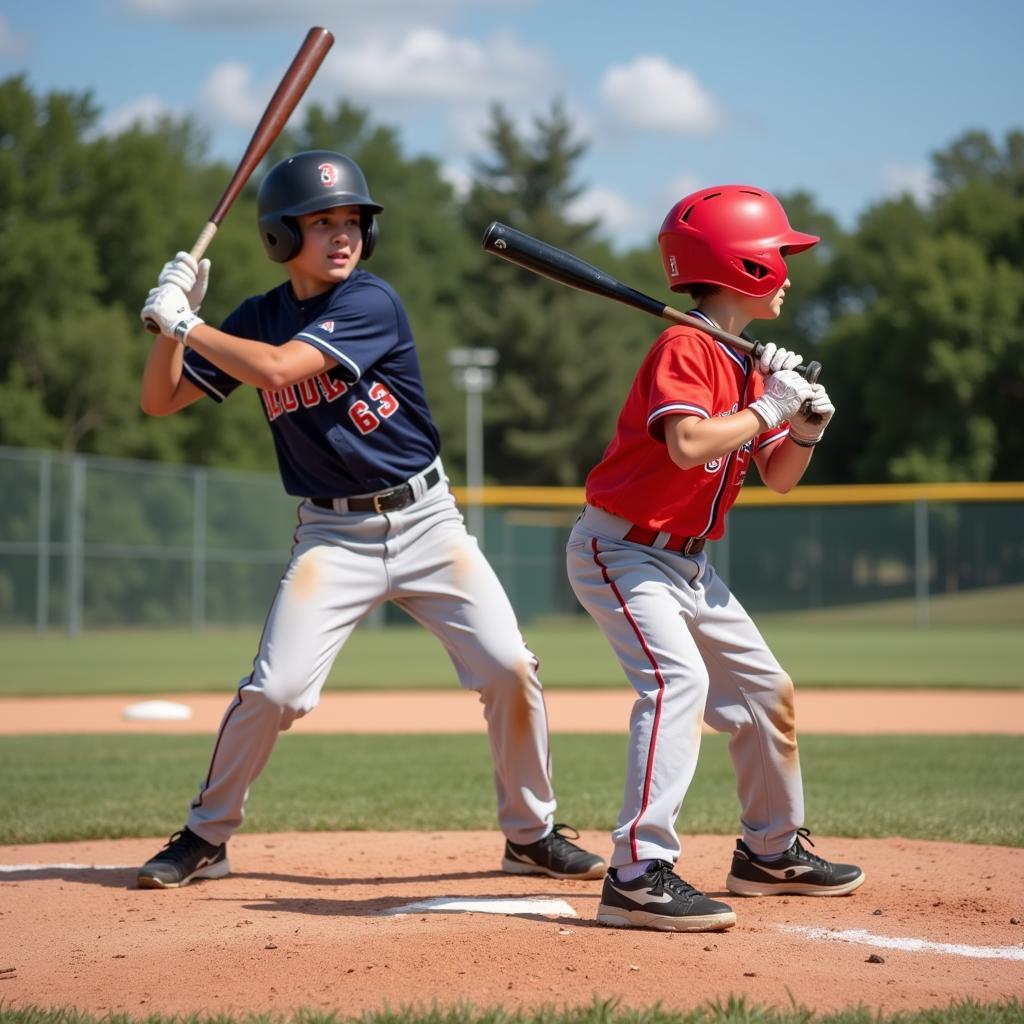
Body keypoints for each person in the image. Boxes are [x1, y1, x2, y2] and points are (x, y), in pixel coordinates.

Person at [135, 150, 605, 889]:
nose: (344, 234)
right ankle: (205, 835)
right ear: (281, 236)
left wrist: (187, 321)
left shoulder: (370, 303)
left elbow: (280, 371)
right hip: (333, 535)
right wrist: (171, 324)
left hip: (427, 523)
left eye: (353, 220)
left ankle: (531, 834)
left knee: (511, 668)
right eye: (323, 222)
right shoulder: (256, 317)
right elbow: (160, 402)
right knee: (275, 692)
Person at [565, 185, 864, 932]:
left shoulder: (741, 361)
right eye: (777, 256)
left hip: (692, 566)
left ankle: (770, 850)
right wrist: (769, 406)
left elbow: (778, 477)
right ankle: (635, 872)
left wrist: (802, 425)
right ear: (742, 264)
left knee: (766, 691)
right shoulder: (688, 345)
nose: (788, 272)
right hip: (624, 550)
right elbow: (688, 443)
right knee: (677, 682)